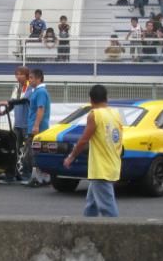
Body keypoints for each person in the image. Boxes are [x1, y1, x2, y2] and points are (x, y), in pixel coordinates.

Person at [63, 85, 122, 217]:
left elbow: (84, 140)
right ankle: (87, 226)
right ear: (107, 98)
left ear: (91, 100)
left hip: (101, 168)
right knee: (92, 203)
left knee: (108, 208)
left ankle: (116, 233)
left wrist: (71, 157)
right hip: (112, 163)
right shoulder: (115, 113)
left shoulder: (94, 115)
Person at [0, 66, 31, 184]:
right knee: (12, 150)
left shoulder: (31, 87)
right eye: (16, 74)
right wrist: (4, 111)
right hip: (17, 124)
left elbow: (23, 100)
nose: (17, 76)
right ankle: (11, 174)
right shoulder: (16, 87)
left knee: (27, 151)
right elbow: (13, 103)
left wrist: (8, 102)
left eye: (20, 74)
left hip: (27, 125)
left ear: (26, 75)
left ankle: (27, 175)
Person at [25, 68, 51, 187]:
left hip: (37, 128)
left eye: (31, 78)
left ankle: (37, 178)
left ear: (39, 78)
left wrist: (35, 126)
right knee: (35, 152)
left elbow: (41, 109)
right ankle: (43, 177)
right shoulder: (37, 91)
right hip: (35, 126)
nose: (29, 80)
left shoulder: (40, 92)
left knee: (34, 153)